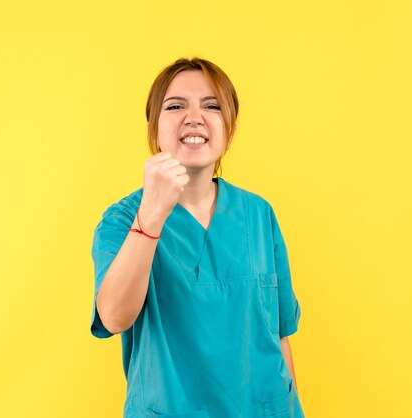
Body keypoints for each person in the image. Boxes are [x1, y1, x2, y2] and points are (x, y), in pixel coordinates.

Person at [91, 57, 305, 418]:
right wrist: (152, 214)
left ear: (229, 127)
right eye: (175, 106)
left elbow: (279, 335)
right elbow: (113, 317)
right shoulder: (123, 220)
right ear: (154, 129)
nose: (194, 117)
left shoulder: (258, 214)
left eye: (212, 106)